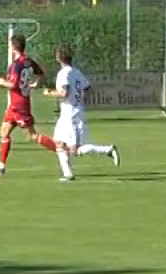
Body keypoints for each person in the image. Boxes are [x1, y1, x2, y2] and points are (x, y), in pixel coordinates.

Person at [46, 46, 119, 181]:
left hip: (71, 114)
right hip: (70, 112)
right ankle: (68, 174)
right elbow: (88, 87)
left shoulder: (63, 74)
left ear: (58, 58)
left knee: (75, 149)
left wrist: (49, 93)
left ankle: (107, 149)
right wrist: (79, 97)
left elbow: (64, 93)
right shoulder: (77, 72)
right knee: (59, 143)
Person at [0, 33, 51, 176]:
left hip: (19, 105)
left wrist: (2, 82)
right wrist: (35, 84)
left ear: (14, 47)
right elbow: (42, 75)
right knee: (4, 132)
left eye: (10, 45)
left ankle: (59, 149)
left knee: (32, 135)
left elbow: (13, 84)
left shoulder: (16, 65)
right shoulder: (28, 61)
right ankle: (1, 165)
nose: (9, 47)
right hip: (17, 104)